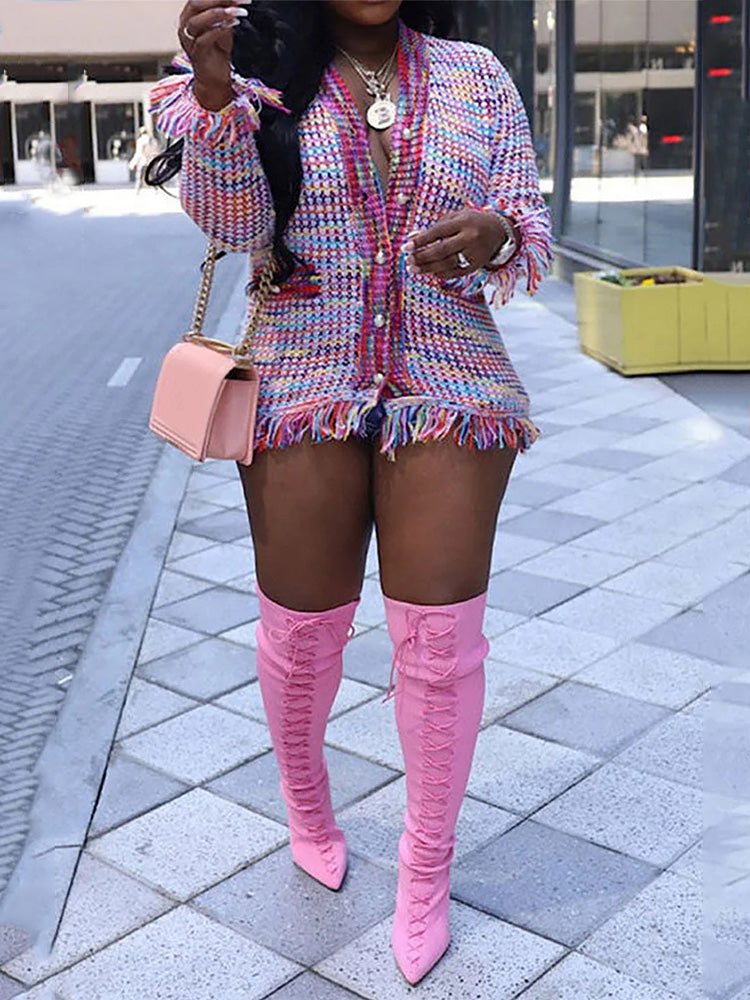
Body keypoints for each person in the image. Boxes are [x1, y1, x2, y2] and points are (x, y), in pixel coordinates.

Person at [148, 0, 551, 984]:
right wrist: (212, 95)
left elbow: (528, 223)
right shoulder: (263, 69)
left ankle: (424, 872)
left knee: (440, 649)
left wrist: (497, 230)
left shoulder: (476, 75)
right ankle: (308, 801)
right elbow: (234, 221)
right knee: (301, 634)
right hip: (300, 379)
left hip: (449, 382)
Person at [128, 126, 157, 192]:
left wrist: (133, 163)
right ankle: (156, 189)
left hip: (143, 161)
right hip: (151, 161)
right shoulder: (153, 140)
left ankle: (137, 190)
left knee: (140, 176)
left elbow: (138, 153)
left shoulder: (140, 141)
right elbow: (156, 151)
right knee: (152, 176)